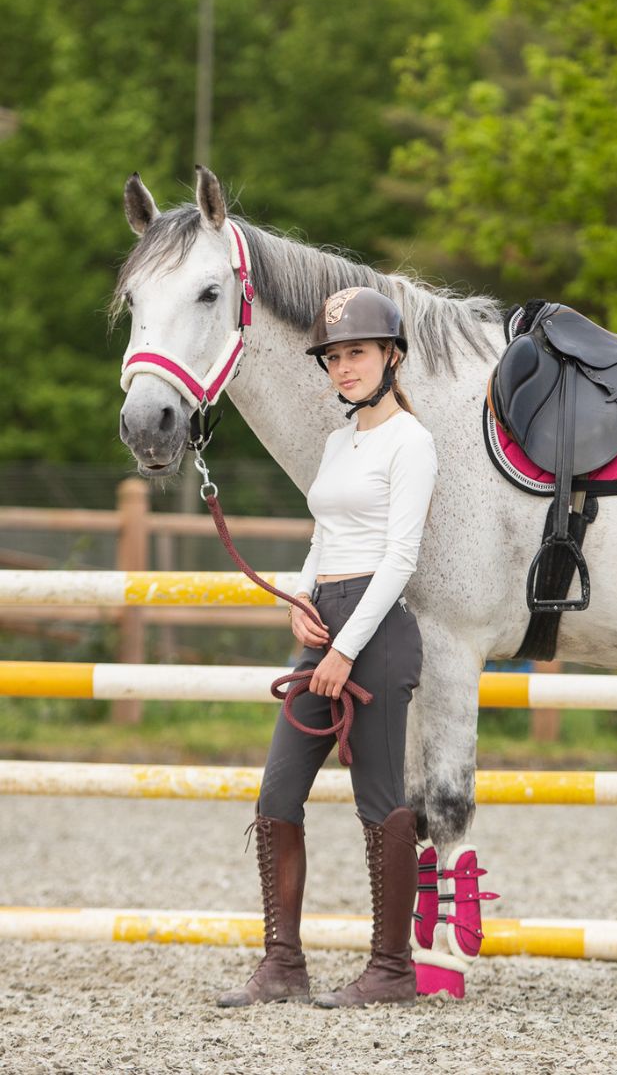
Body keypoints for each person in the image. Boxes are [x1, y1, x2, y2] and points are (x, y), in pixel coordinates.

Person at [217, 287, 437, 1009]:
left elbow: (401, 556)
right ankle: (282, 963)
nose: (344, 368)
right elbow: (324, 533)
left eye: (358, 354)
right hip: (328, 622)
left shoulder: (413, 441)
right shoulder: (341, 440)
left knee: (380, 803)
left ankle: (391, 970)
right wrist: (301, 599)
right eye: (336, 357)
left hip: (375, 628)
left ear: (391, 357)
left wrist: (346, 647)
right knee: (278, 793)